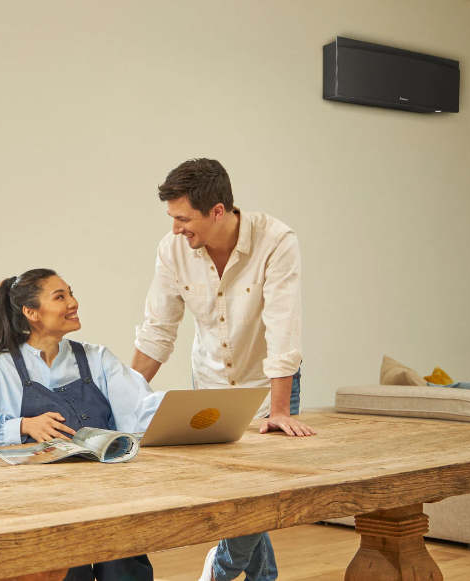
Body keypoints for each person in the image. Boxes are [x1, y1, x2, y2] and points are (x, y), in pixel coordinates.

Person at [130, 158, 315, 581]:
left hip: (270, 384)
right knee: (238, 494)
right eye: (172, 218)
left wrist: (280, 411)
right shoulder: (173, 248)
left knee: (263, 489)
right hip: (210, 381)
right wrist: (121, 397)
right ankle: (262, 577)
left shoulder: (277, 240)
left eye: (183, 218)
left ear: (218, 211)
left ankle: (222, 568)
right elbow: (158, 330)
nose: (176, 228)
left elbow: (283, 327)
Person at [0, 268, 154, 581]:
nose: (73, 302)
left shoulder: (97, 358)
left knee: (125, 572)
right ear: (32, 312)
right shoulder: (2, 367)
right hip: (48, 505)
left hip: (110, 498)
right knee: (67, 573)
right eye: (60, 297)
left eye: (71, 293)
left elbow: (142, 406)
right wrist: (22, 425)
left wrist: (190, 413)